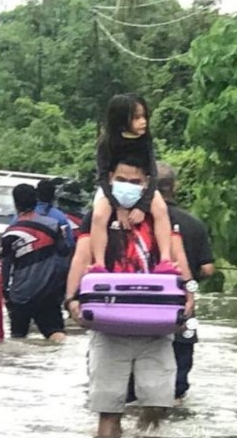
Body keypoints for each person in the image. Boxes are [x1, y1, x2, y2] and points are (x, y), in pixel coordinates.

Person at [64, 159, 196, 438]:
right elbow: (81, 257)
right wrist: (71, 300)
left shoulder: (160, 216)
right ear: (110, 178)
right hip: (109, 324)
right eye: (121, 180)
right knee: (108, 409)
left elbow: (178, 256)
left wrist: (190, 295)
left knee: (157, 406)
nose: (128, 187)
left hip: (156, 327)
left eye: (135, 182)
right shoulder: (99, 215)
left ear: (147, 183)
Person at [128, 163, 215, 404]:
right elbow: (208, 268)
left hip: (137, 308)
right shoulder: (194, 224)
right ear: (175, 187)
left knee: (132, 387)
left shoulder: (134, 219)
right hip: (180, 307)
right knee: (177, 387)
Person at [89, 94, 177, 276]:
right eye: (137, 118)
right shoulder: (107, 143)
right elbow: (103, 177)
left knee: (161, 210)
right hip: (114, 189)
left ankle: (165, 259)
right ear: (122, 120)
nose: (143, 122)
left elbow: (152, 174)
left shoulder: (145, 141)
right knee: (98, 216)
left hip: (141, 188)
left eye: (144, 116)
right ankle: (98, 262)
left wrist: (143, 206)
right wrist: (118, 207)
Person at [0, 184, 70, 342]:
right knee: (56, 333)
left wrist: (5, 293)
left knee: (18, 338)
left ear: (16, 203)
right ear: (35, 200)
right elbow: (64, 253)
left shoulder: (10, 233)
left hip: (20, 294)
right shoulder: (53, 225)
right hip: (48, 291)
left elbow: (5, 268)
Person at [35, 178, 75, 251]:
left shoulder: (24, 215)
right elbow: (69, 243)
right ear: (54, 196)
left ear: (36, 194)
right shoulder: (60, 217)